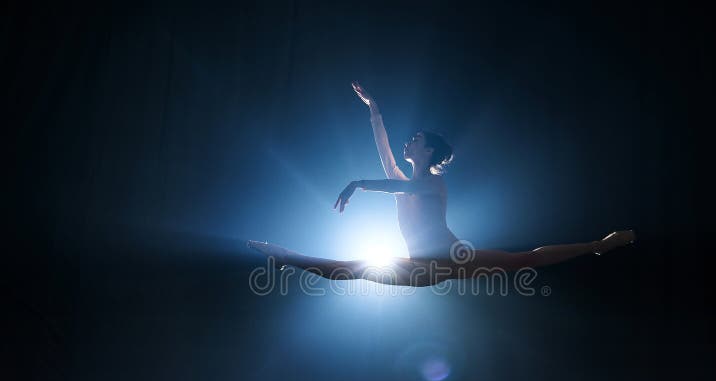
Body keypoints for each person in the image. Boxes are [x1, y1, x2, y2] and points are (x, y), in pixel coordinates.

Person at [248, 81, 635, 287]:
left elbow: (400, 188)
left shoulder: (432, 186)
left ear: (430, 151)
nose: (408, 142)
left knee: (526, 259)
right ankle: (286, 258)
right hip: (421, 269)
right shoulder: (402, 179)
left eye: (415, 139)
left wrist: (358, 184)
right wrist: (375, 109)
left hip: (455, 258)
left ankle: (599, 246)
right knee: (351, 270)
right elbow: (383, 150)